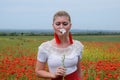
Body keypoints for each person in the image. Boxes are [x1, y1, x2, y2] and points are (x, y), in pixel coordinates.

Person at [35, 10, 84, 80]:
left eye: (65, 24)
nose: (61, 27)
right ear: (53, 26)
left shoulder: (77, 46)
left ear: (70, 25)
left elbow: (79, 71)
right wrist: (53, 75)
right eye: (58, 24)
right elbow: (38, 71)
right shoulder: (45, 47)